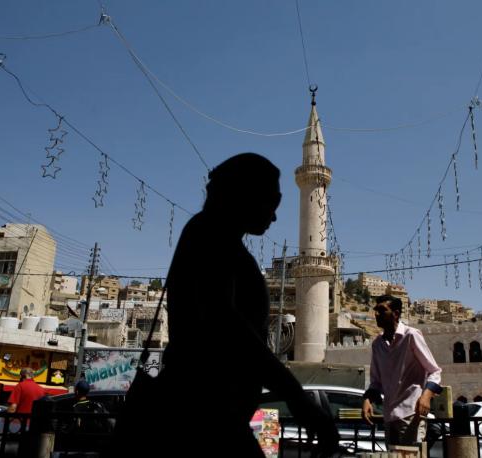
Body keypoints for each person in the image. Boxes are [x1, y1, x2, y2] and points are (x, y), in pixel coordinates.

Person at [125, 153, 338, 457]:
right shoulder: (209, 236)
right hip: (202, 418)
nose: (275, 216)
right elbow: (227, 327)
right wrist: (296, 397)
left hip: (215, 418)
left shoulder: (213, 238)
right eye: (271, 200)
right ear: (244, 193)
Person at [362, 295, 443, 448]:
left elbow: (434, 371)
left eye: (382, 310)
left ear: (396, 314)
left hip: (411, 415)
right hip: (389, 417)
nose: (377, 314)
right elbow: (376, 381)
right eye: (376, 311)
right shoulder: (377, 344)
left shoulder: (411, 335)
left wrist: (426, 396)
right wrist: (367, 400)